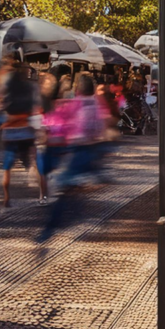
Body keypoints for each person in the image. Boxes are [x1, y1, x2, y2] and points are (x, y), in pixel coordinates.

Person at [37, 73, 116, 242]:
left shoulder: (75, 104)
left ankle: (50, 228)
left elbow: (63, 125)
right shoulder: (96, 104)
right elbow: (103, 125)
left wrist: (53, 135)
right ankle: (77, 212)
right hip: (93, 149)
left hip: (78, 150)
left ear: (78, 89)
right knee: (72, 188)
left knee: (66, 187)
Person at [0, 60, 47, 207]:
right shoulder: (31, 88)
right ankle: (43, 195)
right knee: (35, 163)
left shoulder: (6, 89)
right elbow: (36, 108)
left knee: (7, 168)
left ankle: (6, 198)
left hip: (10, 134)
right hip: (27, 132)